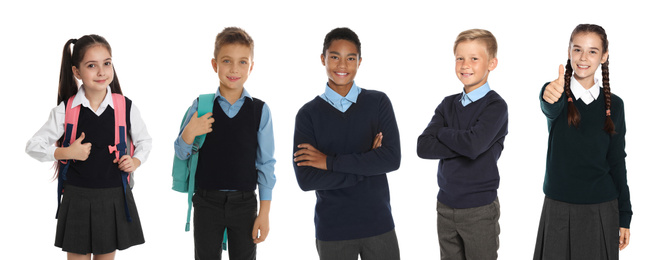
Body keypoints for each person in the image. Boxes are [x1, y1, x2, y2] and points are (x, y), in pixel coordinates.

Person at [26, 34, 151, 260]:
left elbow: (145, 142)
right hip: (77, 198)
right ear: (76, 72)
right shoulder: (67, 110)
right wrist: (65, 152)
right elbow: (33, 145)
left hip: (113, 196)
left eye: (107, 63)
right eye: (91, 65)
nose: (102, 72)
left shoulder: (125, 107)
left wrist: (135, 161)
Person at [293, 27, 401, 260]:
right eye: (334, 57)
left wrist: (328, 162)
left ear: (359, 62)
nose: (342, 66)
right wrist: (367, 165)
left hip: (379, 224)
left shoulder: (378, 102)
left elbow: (391, 159)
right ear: (323, 59)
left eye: (350, 58)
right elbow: (306, 179)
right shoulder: (308, 114)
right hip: (333, 230)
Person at [174, 27, 275, 260]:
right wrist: (189, 133)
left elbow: (266, 163)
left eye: (242, 62)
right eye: (227, 61)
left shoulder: (259, 110)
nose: (234, 69)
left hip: (245, 204)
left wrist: (265, 212)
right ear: (214, 64)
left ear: (251, 67)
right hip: (206, 202)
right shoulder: (201, 106)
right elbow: (181, 153)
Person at [534, 24, 630, 260]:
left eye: (592, 51)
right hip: (558, 207)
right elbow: (549, 105)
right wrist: (548, 93)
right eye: (577, 50)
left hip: (602, 208)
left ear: (604, 56)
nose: (583, 58)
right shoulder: (556, 93)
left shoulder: (615, 105)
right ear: (569, 52)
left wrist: (625, 215)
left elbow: (617, 161)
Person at [417, 28, 508, 260]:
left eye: (474, 58)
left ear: (492, 63)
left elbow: (473, 146)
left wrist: (444, 132)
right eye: (460, 58)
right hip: (445, 206)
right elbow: (423, 146)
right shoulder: (447, 104)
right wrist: (465, 139)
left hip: (479, 210)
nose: (465, 65)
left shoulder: (495, 107)